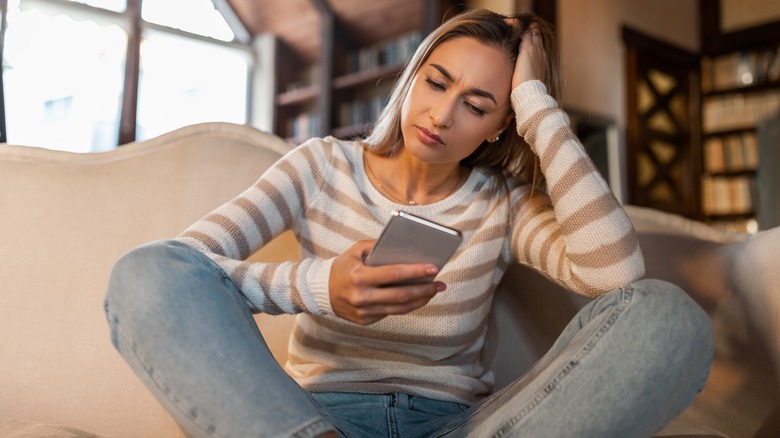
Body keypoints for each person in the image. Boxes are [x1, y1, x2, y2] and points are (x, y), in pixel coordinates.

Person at [104, 9, 713, 438]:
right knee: (143, 271)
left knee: (666, 313)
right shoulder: (320, 166)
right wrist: (320, 287)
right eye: (436, 82)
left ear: (500, 126)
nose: (442, 115)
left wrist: (537, 105)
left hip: (461, 426)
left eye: (477, 106)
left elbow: (615, 275)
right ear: (413, 75)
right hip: (316, 420)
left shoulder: (501, 204)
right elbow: (183, 269)